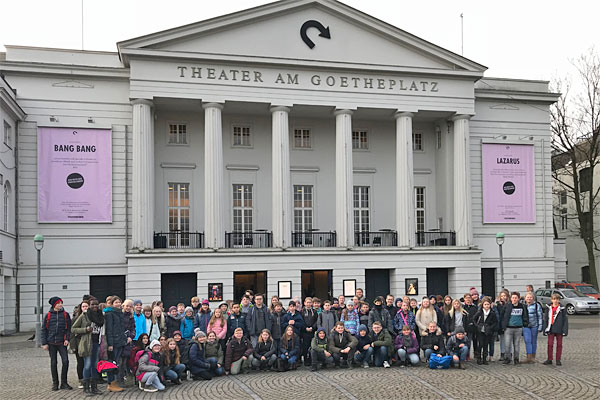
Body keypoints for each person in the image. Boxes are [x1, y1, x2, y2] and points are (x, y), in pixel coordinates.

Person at [42, 296, 72, 391]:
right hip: (51, 342)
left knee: (65, 361)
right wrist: (44, 343)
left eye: (61, 303)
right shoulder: (48, 315)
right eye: (58, 303)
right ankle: (55, 383)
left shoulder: (65, 315)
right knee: (53, 362)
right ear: (54, 305)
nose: (60, 305)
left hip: (61, 342)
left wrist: (67, 339)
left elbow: (68, 329)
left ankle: (64, 382)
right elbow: (44, 330)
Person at [70, 299, 96, 394]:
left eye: (87, 306)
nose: (86, 308)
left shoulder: (94, 315)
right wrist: (85, 329)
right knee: (86, 364)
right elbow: (73, 330)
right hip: (84, 342)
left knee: (94, 364)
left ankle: (93, 385)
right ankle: (85, 384)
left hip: (95, 341)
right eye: (84, 306)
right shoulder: (81, 316)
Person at [105, 296, 127, 392]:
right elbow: (109, 330)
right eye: (116, 302)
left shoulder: (120, 313)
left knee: (116, 363)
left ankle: (114, 383)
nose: (118, 304)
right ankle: (111, 383)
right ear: (112, 303)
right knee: (112, 363)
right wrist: (110, 344)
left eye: (119, 302)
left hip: (120, 341)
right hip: (113, 342)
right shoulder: (109, 313)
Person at [502, 291, 529, 365]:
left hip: (518, 328)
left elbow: (525, 316)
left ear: (518, 299)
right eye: (513, 298)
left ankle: (516, 359)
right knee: (507, 345)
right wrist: (503, 325)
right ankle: (507, 358)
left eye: (515, 298)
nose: (514, 299)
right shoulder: (507, 306)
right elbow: (502, 316)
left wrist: (525, 324)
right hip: (508, 328)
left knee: (516, 345)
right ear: (511, 298)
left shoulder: (522, 306)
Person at [543, 293, 568, 366]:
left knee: (559, 345)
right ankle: (549, 358)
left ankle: (558, 359)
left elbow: (565, 320)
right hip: (550, 328)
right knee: (550, 344)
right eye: (554, 299)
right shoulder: (548, 308)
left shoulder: (562, 309)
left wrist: (565, 330)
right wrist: (545, 329)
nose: (555, 301)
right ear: (551, 300)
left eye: (557, 299)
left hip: (559, 328)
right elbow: (546, 319)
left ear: (559, 300)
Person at [473, 296, 497, 365]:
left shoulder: (492, 313)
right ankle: (479, 358)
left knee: (486, 345)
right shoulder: (480, 312)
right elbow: (474, 319)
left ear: (490, 305)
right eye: (485, 304)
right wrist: (477, 326)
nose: (486, 306)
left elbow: (495, 322)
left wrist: (491, 327)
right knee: (480, 345)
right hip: (480, 330)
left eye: (488, 304)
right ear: (482, 305)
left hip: (488, 331)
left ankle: (484, 358)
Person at [523, 292, 543, 363]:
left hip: (534, 326)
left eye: (530, 297)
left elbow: (540, 317)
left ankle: (533, 357)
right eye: (528, 297)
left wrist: (540, 327)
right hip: (525, 326)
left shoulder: (537, 306)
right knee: (527, 341)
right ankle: (528, 357)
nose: (529, 298)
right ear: (525, 298)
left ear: (533, 298)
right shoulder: (523, 305)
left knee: (533, 341)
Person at [120, 299, 137, 384]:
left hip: (127, 341)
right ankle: (119, 380)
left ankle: (123, 379)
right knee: (119, 361)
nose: (128, 308)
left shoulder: (131, 316)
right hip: (120, 340)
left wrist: (131, 337)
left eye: (130, 306)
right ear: (123, 306)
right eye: (127, 306)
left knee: (125, 361)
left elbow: (133, 328)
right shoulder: (120, 315)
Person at [301, 297, 318, 366]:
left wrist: (313, 327)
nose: (308, 304)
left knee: (312, 346)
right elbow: (301, 321)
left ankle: (312, 359)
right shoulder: (302, 312)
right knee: (305, 346)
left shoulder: (314, 312)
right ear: (304, 303)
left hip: (312, 331)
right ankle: (305, 360)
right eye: (307, 302)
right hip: (305, 332)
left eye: (310, 302)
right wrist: (305, 328)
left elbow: (317, 321)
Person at [462, 293, 479, 360]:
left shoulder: (475, 307)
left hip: (474, 327)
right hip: (466, 327)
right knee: (467, 342)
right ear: (464, 299)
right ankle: (467, 355)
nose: (468, 299)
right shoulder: (463, 307)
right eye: (466, 298)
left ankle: (476, 353)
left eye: (469, 298)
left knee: (475, 341)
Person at [496, 289, 509, 360]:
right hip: (501, 324)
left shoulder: (509, 304)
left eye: (504, 296)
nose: (503, 297)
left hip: (508, 324)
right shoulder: (498, 305)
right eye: (502, 296)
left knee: (509, 340)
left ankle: (509, 354)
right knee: (502, 340)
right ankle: (502, 353)